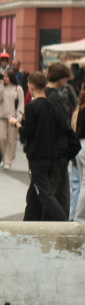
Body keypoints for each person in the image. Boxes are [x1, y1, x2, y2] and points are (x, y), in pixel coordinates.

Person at [18, 72, 70, 221]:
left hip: (37, 155)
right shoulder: (52, 105)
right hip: (51, 155)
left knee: (45, 194)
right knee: (34, 194)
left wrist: (17, 124)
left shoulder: (33, 107)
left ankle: (64, 222)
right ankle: (28, 223)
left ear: (31, 86)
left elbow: (27, 133)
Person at [45, 61, 76, 215]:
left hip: (47, 150)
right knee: (59, 193)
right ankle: (60, 222)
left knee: (47, 190)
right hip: (58, 150)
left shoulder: (43, 93)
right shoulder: (57, 96)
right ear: (61, 78)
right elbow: (64, 123)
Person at [0, 69, 25, 170]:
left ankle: (8, 160)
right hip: (2, 116)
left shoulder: (18, 88)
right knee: (0, 138)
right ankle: (5, 156)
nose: (4, 78)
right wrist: (0, 87)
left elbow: (21, 104)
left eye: (7, 76)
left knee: (12, 139)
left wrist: (19, 118)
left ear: (11, 77)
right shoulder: (3, 88)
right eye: (4, 76)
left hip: (13, 117)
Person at [71, 87, 85, 221]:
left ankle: (74, 215)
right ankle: (79, 218)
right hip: (83, 147)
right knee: (83, 185)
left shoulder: (80, 109)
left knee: (79, 184)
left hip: (79, 146)